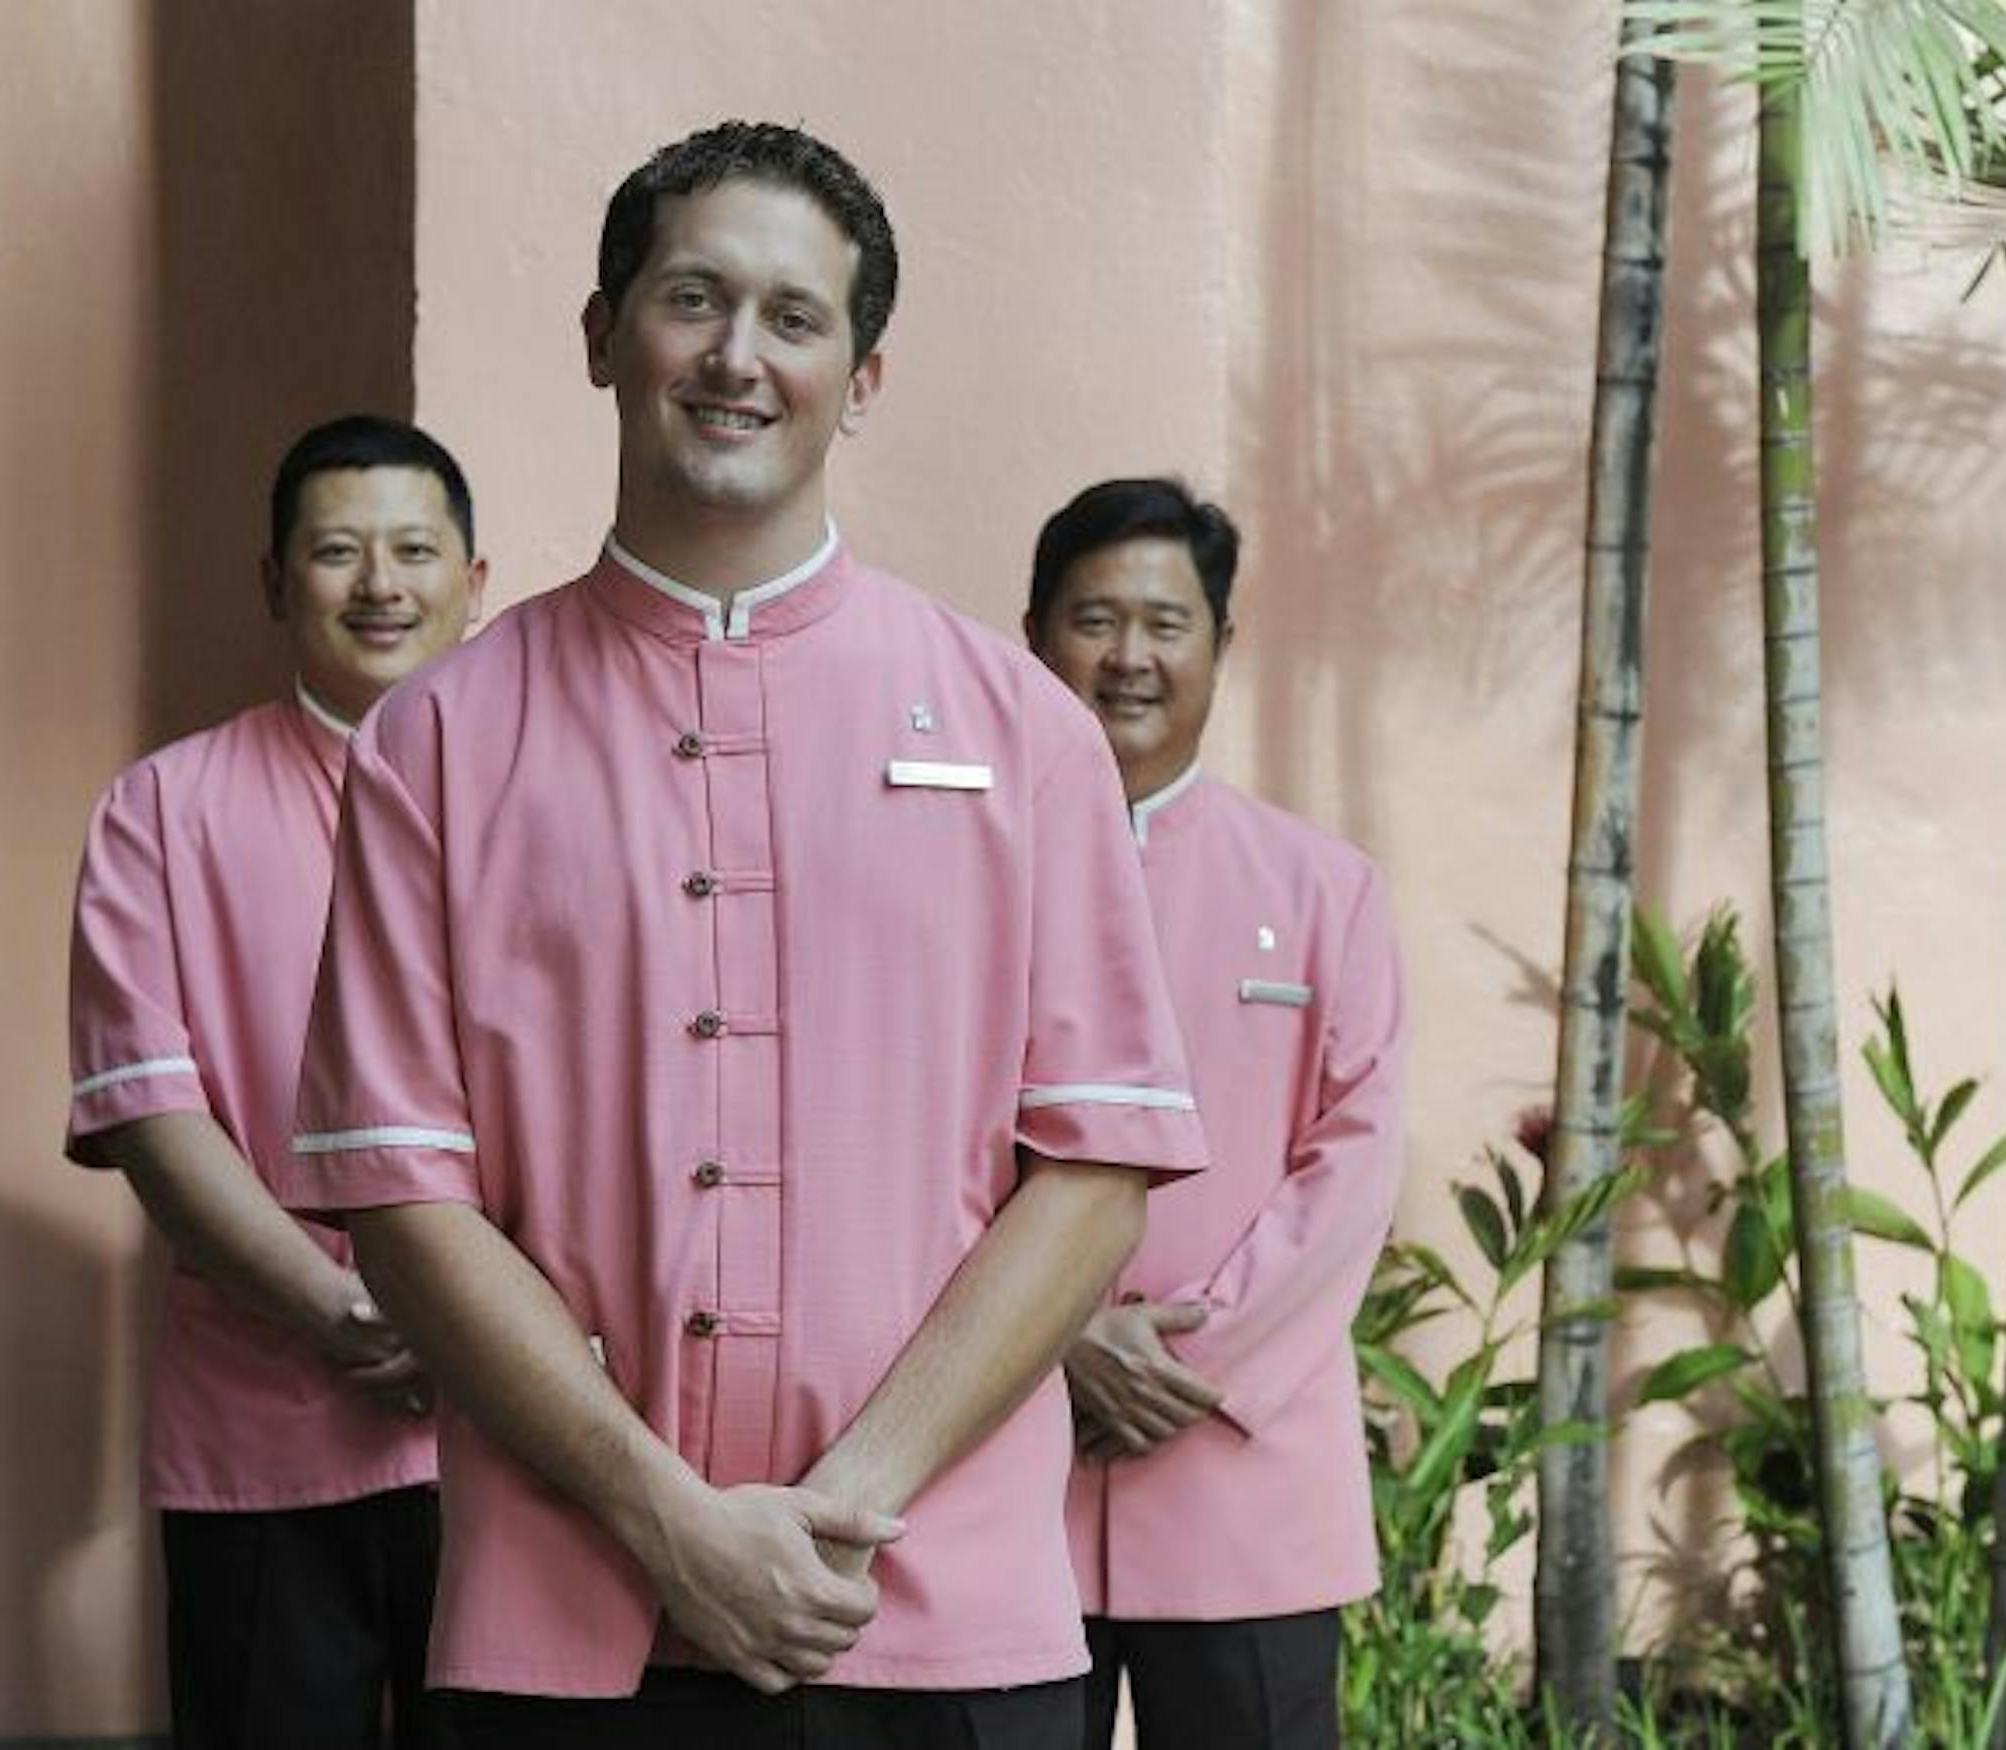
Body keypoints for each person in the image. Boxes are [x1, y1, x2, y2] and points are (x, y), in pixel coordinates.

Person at [266, 122, 1207, 1750]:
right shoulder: (438, 735)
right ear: (602, 335)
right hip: (557, 1629)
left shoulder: (1021, 728)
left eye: (796, 317)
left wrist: (843, 1508)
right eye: (693, 299)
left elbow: (1096, 1170)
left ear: (866, 375)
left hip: (940, 1615)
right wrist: (670, 1523)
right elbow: (405, 1195)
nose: (738, 356)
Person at [65, 414, 489, 1749]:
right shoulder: (163, 809)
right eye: (339, 551)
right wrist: (340, 1310)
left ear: (477, 581)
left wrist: (482, 1329)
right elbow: (148, 1111)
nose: (382, 584)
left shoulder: (560, 799)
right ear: (274, 580)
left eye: (417, 549)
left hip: (521, 1431)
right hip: (263, 1438)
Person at [1026, 477, 1408, 1750]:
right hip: (1013, 1466)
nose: (1128, 657)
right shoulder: (967, 873)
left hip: (1248, 1486)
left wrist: (1184, 1362)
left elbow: (1351, 1166)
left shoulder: (1323, 890)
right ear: (1034, 635)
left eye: (1165, 622)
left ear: (1221, 645)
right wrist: (1059, 1334)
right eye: (1093, 618)